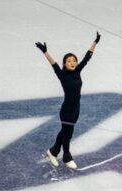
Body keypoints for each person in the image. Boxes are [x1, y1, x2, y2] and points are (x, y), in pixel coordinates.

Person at [35, 32, 101, 169]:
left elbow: (87, 57)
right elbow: (53, 64)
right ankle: (66, 156)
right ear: (65, 64)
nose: (72, 62)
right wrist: (45, 52)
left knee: (65, 131)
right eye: (69, 61)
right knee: (68, 134)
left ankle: (53, 151)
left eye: (74, 60)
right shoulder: (62, 75)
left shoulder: (78, 71)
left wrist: (95, 42)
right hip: (66, 111)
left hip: (76, 109)